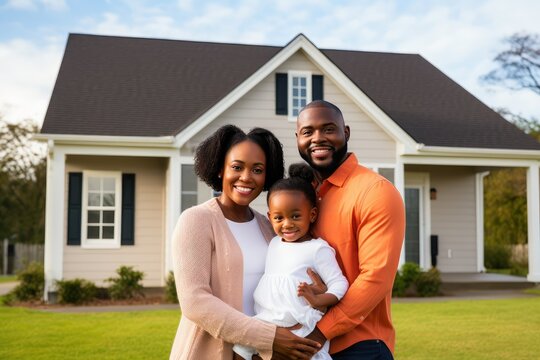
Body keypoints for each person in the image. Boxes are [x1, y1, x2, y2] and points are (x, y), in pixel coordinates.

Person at [169, 124, 322, 360]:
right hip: (209, 351)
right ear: (221, 169)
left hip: (259, 355)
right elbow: (194, 301)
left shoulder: (269, 227)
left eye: (257, 169)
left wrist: (318, 296)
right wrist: (268, 336)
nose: (246, 177)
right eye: (237, 167)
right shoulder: (197, 220)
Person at [296, 100, 406, 360]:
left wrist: (319, 334)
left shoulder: (375, 191)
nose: (318, 138)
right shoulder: (304, 196)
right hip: (311, 345)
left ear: (346, 133)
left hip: (360, 345)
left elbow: (375, 279)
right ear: (298, 138)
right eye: (308, 132)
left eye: (328, 129)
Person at [232, 163, 349, 360]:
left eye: (295, 216)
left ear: (311, 215)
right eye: (279, 218)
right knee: (239, 350)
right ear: (270, 217)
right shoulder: (275, 243)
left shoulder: (318, 249)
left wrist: (318, 300)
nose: (287, 224)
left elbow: (339, 283)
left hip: (300, 325)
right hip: (266, 321)